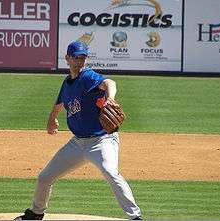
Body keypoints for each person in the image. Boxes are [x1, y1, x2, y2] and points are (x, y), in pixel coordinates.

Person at [14, 41, 142, 220]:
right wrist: (52, 119)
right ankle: (36, 213)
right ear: (67, 58)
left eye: (83, 58)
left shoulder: (88, 76)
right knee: (44, 177)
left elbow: (109, 82)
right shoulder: (67, 84)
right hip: (77, 143)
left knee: (111, 173)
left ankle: (135, 217)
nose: (80, 61)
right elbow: (59, 103)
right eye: (76, 57)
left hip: (102, 141)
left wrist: (111, 99)